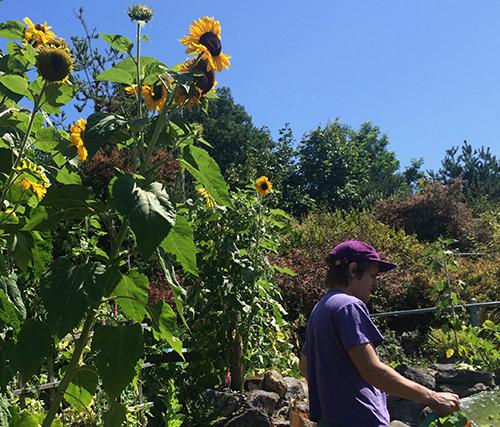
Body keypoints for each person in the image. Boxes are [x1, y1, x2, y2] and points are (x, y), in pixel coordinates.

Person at [300, 240, 460, 427]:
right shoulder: (349, 306)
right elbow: (373, 370)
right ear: (353, 270)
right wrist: (432, 397)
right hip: (360, 420)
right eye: (373, 275)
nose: (375, 284)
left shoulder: (320, 308)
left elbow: (305, 366)